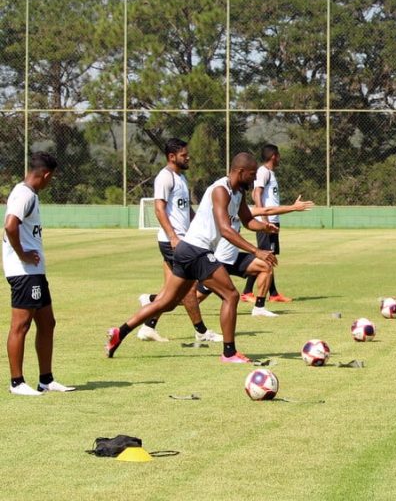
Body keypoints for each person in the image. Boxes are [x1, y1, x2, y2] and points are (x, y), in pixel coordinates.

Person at [106, 153, 278, 364]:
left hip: (188, 250)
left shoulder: (238, 193)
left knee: (166, 302)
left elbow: (248, 220)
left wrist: (264, 226)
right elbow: (225, 229)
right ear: (240, 172)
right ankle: (229, 353)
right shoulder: (220, 190)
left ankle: (119, 332)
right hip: (197, 250)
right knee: (231, 296)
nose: (254, 179)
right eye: (252, 175)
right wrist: (256, 250)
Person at [135, 138, 222, 343]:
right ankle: (201, 332)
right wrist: (173, 237)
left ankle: (148, 323)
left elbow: (186, 210)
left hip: (183, 240)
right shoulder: (165, 178)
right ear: (172, 157)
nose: (188, 157)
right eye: (184, 155)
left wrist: (197, 226)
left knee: (171, 293)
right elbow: (159, 209)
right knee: (189, 288)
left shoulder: (180, 178)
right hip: (173, 242)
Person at [4, 152, 74, 395]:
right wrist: (22, 254)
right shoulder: (24, 194)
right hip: (24, 273)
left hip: (35, 272)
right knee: (20, 325)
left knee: (47, 323)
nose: (49, 182)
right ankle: (17, 382)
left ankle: (46, 379)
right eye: (50, 178)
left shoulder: (27, 193)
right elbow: (10, 225)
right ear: (45, 175)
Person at [198, 195, 314, 317]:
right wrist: (293, 207)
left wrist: (266, 225)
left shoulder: (238, 209)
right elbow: (265, 211)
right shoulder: (221, 211)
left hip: (233, 258)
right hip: (217, 262)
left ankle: (259, 307)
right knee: (194, 299)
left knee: (265, 266)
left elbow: (264, 211)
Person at [242, 144, 291, 303]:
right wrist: (264, 218)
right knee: (264, 257)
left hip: (272, 220)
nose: (280, 158)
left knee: (269, 257)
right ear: (273, 156)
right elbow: (257, 193)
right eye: (278, 155)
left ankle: (274, 294)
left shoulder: (270, 173)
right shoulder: (263, 172)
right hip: (266, 221)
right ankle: (248, 292)